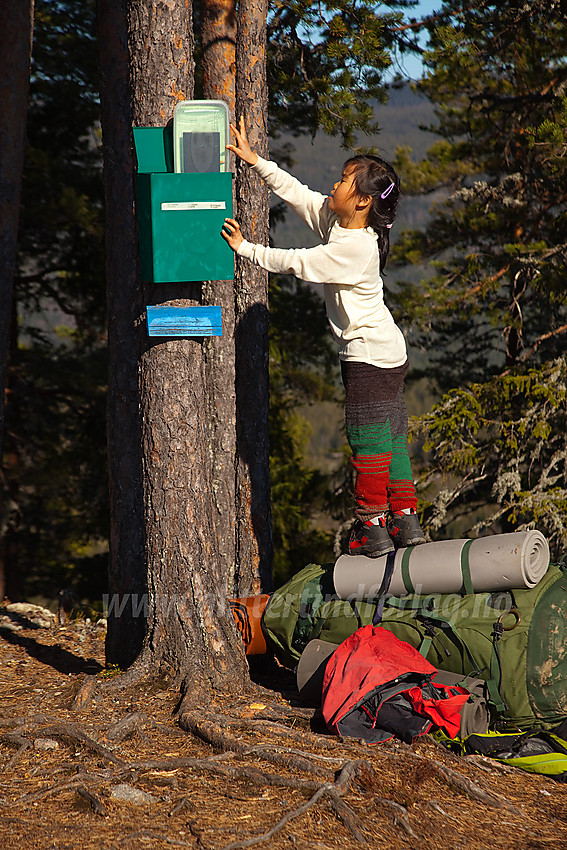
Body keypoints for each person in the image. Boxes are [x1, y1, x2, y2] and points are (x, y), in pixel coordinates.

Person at [222, 117, 426, 557]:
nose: (334, 185)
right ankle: (405, 520)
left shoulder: (354, 248)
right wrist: (256, 161)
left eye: (344, 180)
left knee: (369, 440)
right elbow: (298, 194)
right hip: (387, 351)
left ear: (364, 200)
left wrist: (245, 250)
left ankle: (372, 528)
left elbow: (297, 262)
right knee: (390, 435)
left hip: (369, 355)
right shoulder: (345, 225)